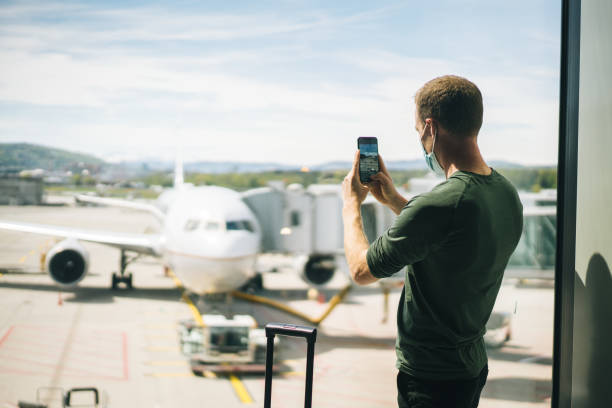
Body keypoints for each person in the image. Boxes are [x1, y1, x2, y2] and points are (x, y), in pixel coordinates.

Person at [341, 75, 523, 408]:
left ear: (430, 127)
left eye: (417, 131)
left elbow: (360, 270)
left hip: (431, 379)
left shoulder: (442, 203)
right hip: (470, 366)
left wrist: (351, 204)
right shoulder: (504, 192)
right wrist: (395, 200)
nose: (420, 139)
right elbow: (452, 236)